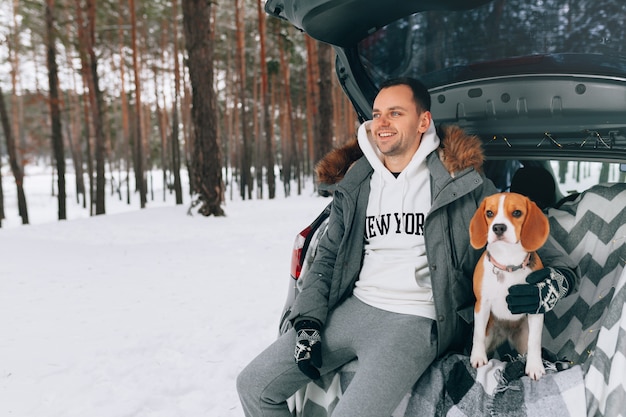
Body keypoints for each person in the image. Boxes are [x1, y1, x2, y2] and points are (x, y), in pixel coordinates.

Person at [237, 77, 579, 417]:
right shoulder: (355, 184)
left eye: (395, 113)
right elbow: (326, 259)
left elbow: (544, 253)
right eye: (377, 113)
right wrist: (309, 320)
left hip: (416, 321)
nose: (381, 123)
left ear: (423, 121)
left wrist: (554, 284)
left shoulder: (464, 183)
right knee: (253, 386)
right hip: (352, 310)